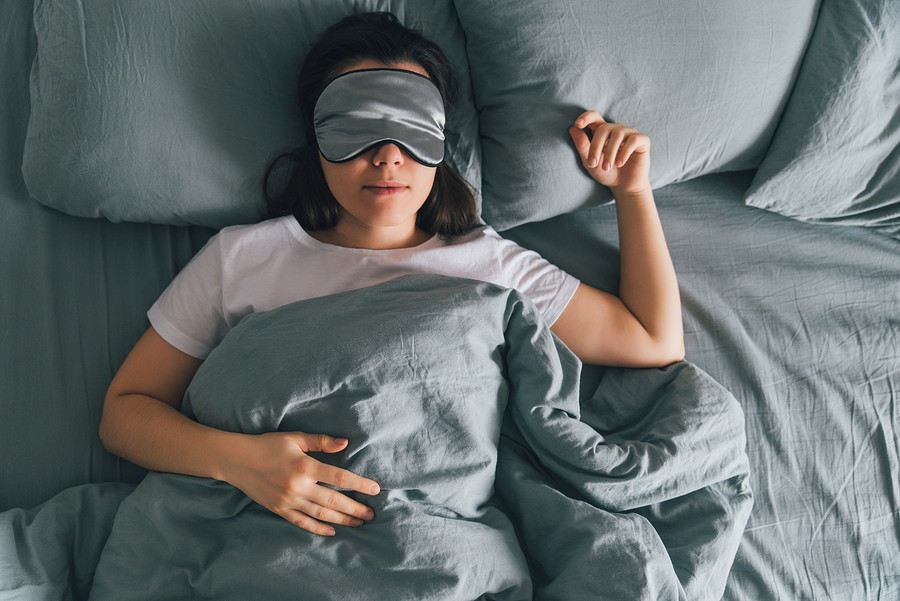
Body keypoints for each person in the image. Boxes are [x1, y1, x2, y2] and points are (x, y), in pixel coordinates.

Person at [99, 12, 683, 538]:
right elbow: (125, 413)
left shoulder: (488, 264)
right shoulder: (240, 259)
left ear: (440, 143)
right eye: (356, 127)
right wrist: (237, 460)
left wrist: (632, 192)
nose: (386, 155)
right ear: (316, 141)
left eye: (410, 127)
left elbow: (654, 341)